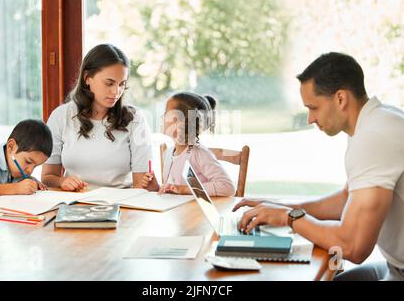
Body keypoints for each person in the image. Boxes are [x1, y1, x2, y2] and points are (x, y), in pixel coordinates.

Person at [233, 52, 404, 280]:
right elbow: (346, 198)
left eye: (313, 107)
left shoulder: (373, 137)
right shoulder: (377, 121)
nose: (310, 119)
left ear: (340, 99)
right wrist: (280, 207)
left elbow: (353, 245)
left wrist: (288, 218)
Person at [41, 44, 152, 191]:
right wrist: (62, 181)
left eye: (122, 84)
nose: (116, 91)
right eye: (109, 83)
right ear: (87, 78)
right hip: (74, 202)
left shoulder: (135, 119)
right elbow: (48, 178)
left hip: (121, 204)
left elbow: (141, 186)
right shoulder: (61, 116)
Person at [141, 92, 235, 196]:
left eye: (166, 112)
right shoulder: (168, 153)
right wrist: (156, 188)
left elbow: (227, 186)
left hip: (194, 211)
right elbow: (173, 192)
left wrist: (185, 189)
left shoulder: (199, 154)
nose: (161, 116)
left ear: (183, 122)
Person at [0, 119, 52, 199]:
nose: (30, 171)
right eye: (28, 161)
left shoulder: (17, 169)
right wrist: (16, 188)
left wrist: (32, 182)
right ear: (11, 146)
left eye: (35, 166)